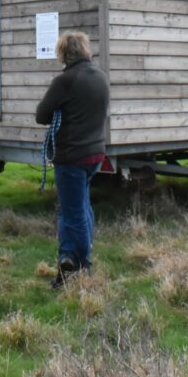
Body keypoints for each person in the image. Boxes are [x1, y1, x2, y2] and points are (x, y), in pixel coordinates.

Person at [34, 31, 110, 288]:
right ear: (86, 50)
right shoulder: (101, 77)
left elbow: (41, 115)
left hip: (72, 156)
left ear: (64, 53)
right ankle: (68, 259)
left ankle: (79, 267)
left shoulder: (65, 81)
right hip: (95, 153)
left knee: (73, 212)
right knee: (80, 207)